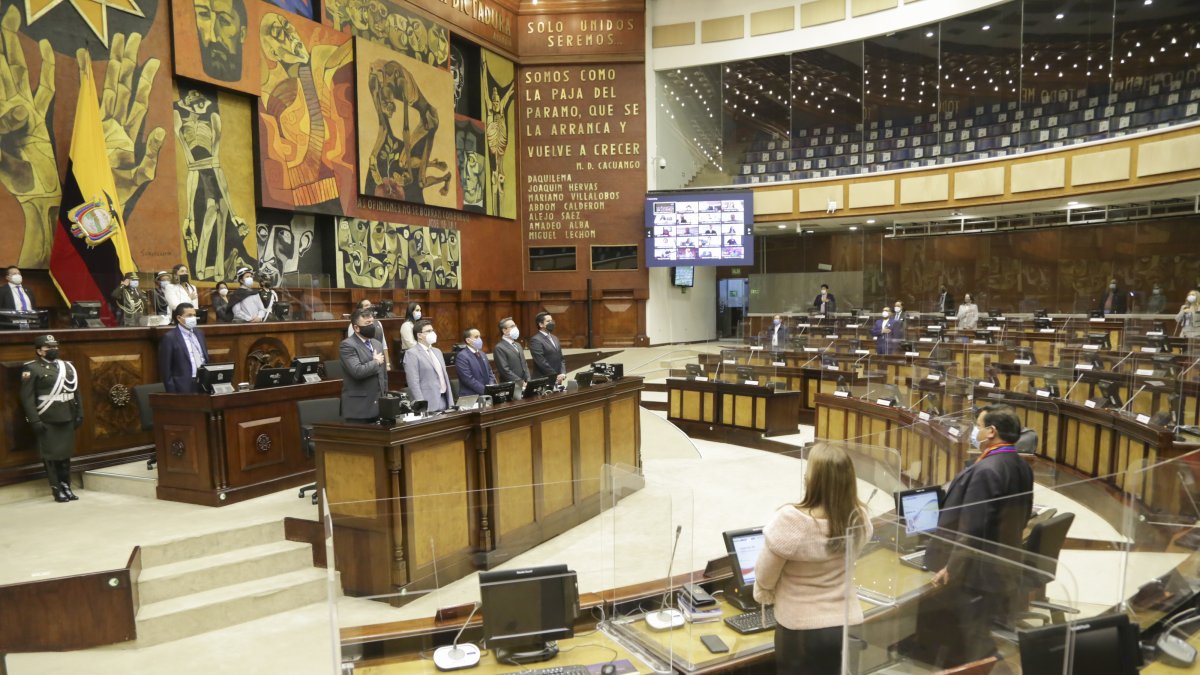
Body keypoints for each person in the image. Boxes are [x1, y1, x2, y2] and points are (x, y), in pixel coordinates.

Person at [922, 404, 1034, 667]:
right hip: (1002, 564)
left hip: (977, 574)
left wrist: (951, 567)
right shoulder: (1019, 463)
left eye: (979, 426)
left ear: (991, 431)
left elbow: (971, 528)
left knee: (971, 641)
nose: (976, 432)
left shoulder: (987, 470)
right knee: (977, 635)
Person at [753, 443, 872, 675]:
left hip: (801, 632)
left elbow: (764, 577)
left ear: (813, 480)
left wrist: (766, 593)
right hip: (846, 627)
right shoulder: (859, 518)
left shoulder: (791, 522)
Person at [20, 335, 83, 503]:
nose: (54, 349)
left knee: (65, 455)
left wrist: (79, 413)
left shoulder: (67, 366)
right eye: (49, 348)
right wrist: (34, 421)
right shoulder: (32, 369)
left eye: (55, 346)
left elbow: (75, 392)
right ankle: (56, 489)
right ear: (39, 351)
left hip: (67, 416)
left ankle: (66, 486)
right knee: (51, 457)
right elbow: (27, 398)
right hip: (47, 419)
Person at [339, 308, 387, 422]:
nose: (372, 326)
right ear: (356, 328)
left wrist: (385, 396)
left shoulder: (377, 344)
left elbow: (383, 375)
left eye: (372, 322)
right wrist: (375, 362)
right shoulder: (347, 345)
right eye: (367, 323)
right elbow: (357, 371)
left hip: (379, 406)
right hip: (359, 409)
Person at [404, 319, 455, 412]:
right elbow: (413, 382)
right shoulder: (412, 353)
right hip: (428, 403)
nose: (432, 333)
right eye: (428, 331)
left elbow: (444, 377)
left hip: (445, 399)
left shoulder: (437, 351)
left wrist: (451, 402)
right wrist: (422, 405)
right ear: (419, 335)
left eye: (432, 330)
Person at [159, 303, 210, 394]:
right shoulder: (170, 337)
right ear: (179, 318)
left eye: (194, 315)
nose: (193, 318)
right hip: (183, 386)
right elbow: (166, 370)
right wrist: (172, 393)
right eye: (189, 315)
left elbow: (204, 357)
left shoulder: (199, 334)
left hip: (203, 383)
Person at [347, 299, 390, 368]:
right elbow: (354, 345)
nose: (369, 307)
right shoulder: (353, 326)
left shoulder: (378, 323)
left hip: (380, 361)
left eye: (370, 305)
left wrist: (387, 363)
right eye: (366, 305)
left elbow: (384, 345)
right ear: (360, 309)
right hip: (365, 363)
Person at [494, 316, 531, 390]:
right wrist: (520, 382)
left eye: (515, 325)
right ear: (504, 331)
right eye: (512, 326)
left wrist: (528, 380)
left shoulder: (518, 345)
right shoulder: (499, 347)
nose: (515, 328)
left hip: (525, 384)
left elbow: (524, 364)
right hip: (511, 386)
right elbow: (505, 370)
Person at [457, 328, 496, 396]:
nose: (479, 339)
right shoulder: (462, 356)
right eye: (476, 337)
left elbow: (490, 373)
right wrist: (486, 391)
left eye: (479, 336)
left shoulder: (482, 354)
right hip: (472, 396)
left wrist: (491, 387)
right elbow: (468, 379)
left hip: (488, 394)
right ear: (468, 340)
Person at [529, 311, 565, 384]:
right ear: (541, 324)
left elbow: (561, 358)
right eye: (548, 321)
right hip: (543, 379)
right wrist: (555, 375)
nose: (551, 323)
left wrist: (562, 373)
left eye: (551, 320)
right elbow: (541, 361)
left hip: (557, 379)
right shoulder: (536, 340)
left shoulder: (555, 338)